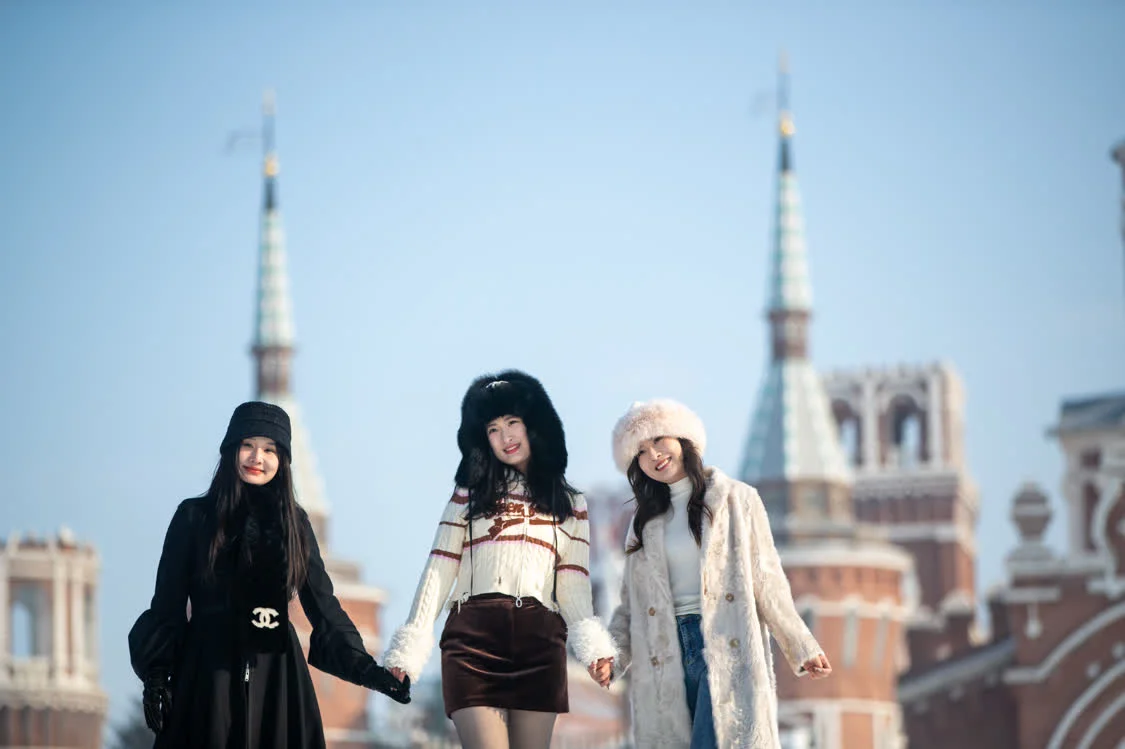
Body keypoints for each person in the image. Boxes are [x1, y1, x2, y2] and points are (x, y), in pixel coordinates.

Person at [128, 401, 409, 749]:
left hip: (278, 679)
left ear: (282, 459)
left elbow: (324, 609)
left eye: (269, 449)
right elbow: (167, 604)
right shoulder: (193, 518)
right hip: (207, 673)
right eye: (248, 445)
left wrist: (372, 674)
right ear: (232, 449)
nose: (257, 457)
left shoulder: (294, 524)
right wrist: (157, 676)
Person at [383, 370, 617, 749]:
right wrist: (409, 649)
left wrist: (593, 649)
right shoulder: (467, 495)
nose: (505, 437)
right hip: (472, 643)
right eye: (492, 429)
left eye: (512, 422)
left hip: (540, 646)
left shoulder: (571, 504)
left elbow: (572, 585)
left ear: (534, 425)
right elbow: (439, 569)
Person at [596, 398, 831, 748]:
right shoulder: (643, 523)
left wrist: (801, 646)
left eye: (658, 439)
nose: (653, 455)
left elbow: (766, 578)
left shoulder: (736, 499)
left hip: (723, 640)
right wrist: (612, 657)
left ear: (683, 438)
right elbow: (631, 606)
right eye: (640, 452)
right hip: (664, 656)